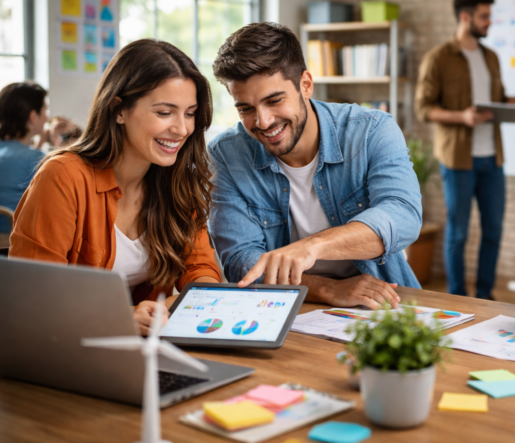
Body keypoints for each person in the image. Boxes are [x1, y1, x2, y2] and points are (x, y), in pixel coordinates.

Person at [10, 39, 222, 334]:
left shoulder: (175, 179)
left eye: (189, 113)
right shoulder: (63, 176)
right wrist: (121, 317)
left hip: (139, 347)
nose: (182, 128)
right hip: (64, 346)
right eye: (164, 113)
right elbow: (34, 296)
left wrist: (174, 305)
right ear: (118, 110)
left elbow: (201, 270)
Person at [207, 22, 422, 309]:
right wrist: (327, 289)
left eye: (274, 100)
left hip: (381, 299)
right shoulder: (226, 154)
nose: (263, 121)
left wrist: (311, 247)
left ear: (305, 85)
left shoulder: (371, 130)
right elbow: (240, 262)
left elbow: (403, 215)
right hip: (283, 309)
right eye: (246, 108)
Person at [414, 0, 515, 299]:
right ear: (465, 16)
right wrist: (462, 117)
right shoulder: (438, 58)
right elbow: (423, 108)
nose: (489, 22)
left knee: (493, 232)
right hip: (458, 160)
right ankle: (456, 295)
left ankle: (484, 295)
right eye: (484, 16)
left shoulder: (491, 57)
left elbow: (502, 102)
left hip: (492, 159)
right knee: (458, 234)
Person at [0, 82, 78, 238]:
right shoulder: (35, 159)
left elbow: (21, 155)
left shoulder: (11, 152)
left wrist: (43, 139)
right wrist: (71, 134)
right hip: (17, 237)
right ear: (33, 116)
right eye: (45, 110)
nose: (47, 116)